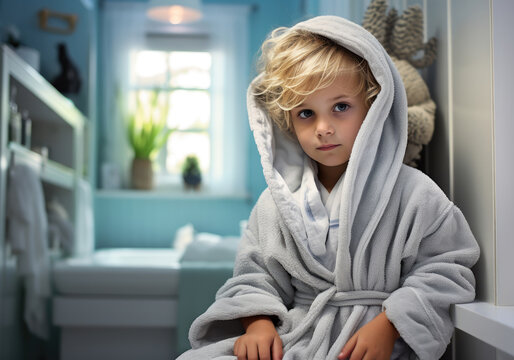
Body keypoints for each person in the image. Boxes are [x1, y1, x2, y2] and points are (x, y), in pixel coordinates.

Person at [177, 15, 479, 360]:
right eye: (306, 113)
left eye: (340, 107)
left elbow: (448, 269)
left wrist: (390, 323)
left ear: (374, 107)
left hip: (377, 345)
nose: (323, 127)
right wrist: (258, 323)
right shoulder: (277, 202)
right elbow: (254, 276)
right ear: (286, 120)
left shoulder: (415, 194)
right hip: (298, 338)